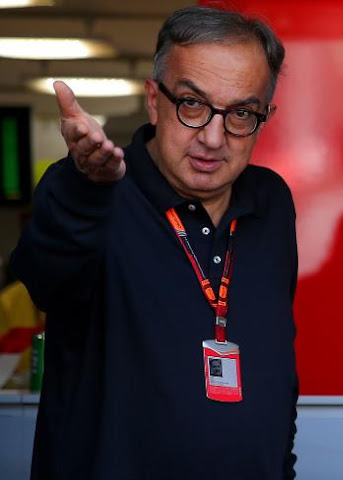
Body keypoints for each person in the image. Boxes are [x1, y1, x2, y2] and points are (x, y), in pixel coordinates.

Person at [11, 6, 298, 479]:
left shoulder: (271, 203)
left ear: (264, 115)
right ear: (153, 99)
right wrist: (87, 189)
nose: (212, 137)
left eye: (241, 113)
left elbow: (276, 367)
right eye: (192, 104)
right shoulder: (92, 191)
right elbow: (46, 279)